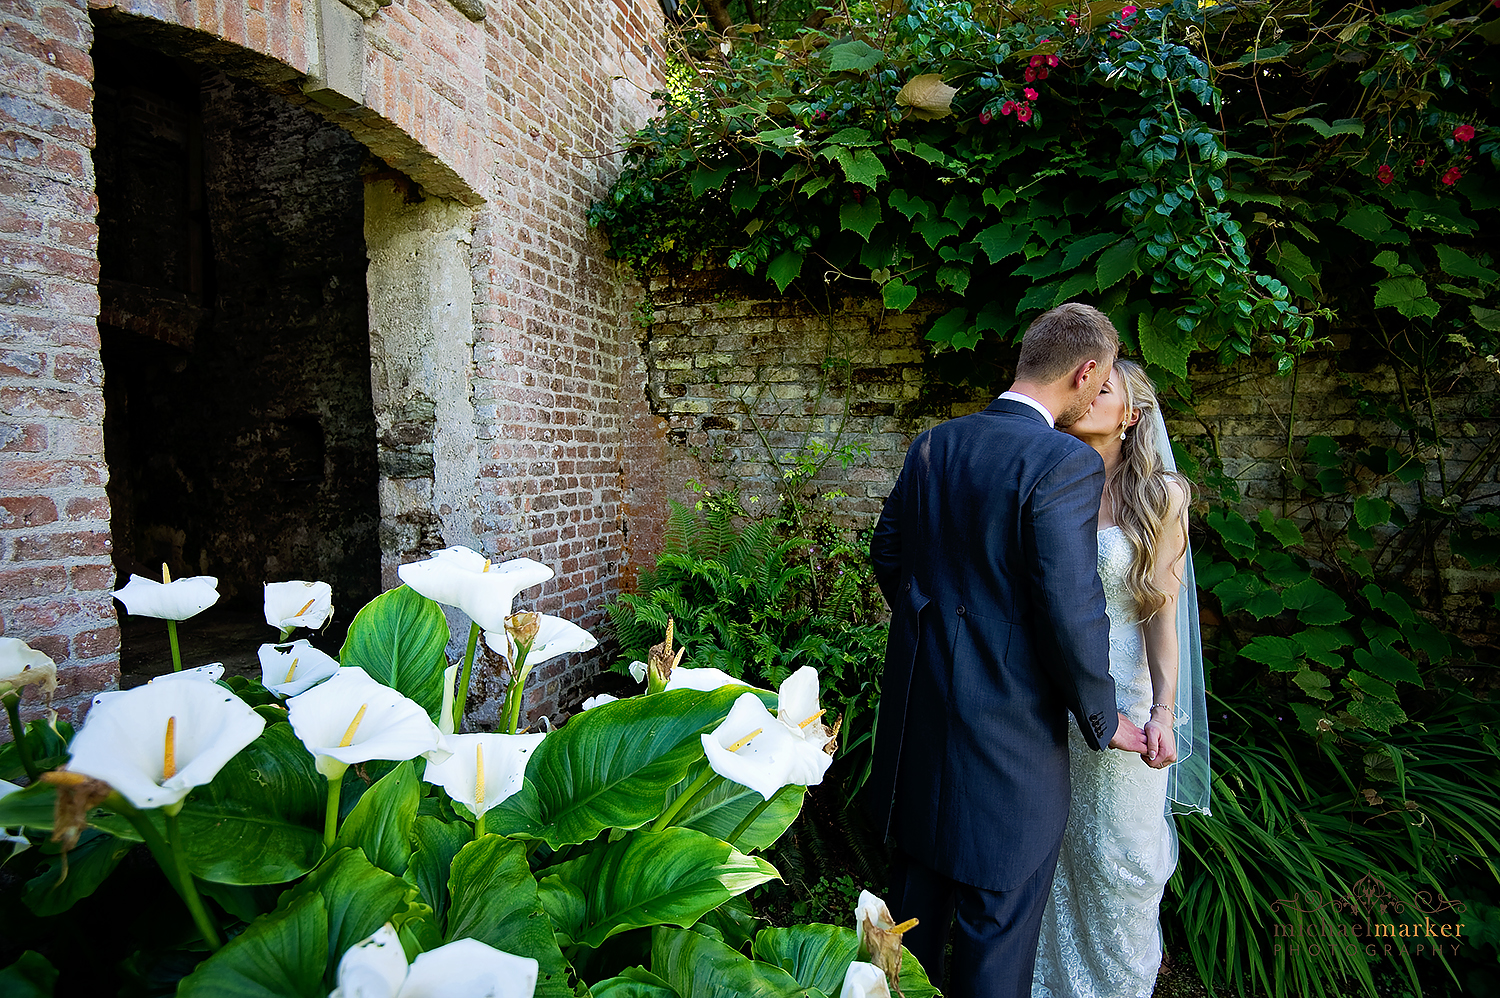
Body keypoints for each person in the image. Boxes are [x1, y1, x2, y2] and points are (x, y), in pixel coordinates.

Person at [867, 302, 1149, 998]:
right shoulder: (1061, 463)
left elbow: (889, 554)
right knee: (996, 943)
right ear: (1087, 373)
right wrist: (1103, 715)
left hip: (921, 731)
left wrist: (939, 633)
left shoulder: (934, 444)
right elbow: (1070, 607)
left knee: (910, 937)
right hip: (1012, 747)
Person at [1031, 359, 1211, 998]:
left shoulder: (1163, 495)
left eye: (1102, 389)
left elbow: (1162, 614)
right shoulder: (1046, 476)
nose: (1085, 394)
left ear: (1132, 415)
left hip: (1123, 703)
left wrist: (1164, 711)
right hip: (1049, 700)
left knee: (1122, 862)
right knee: (1054, 861)